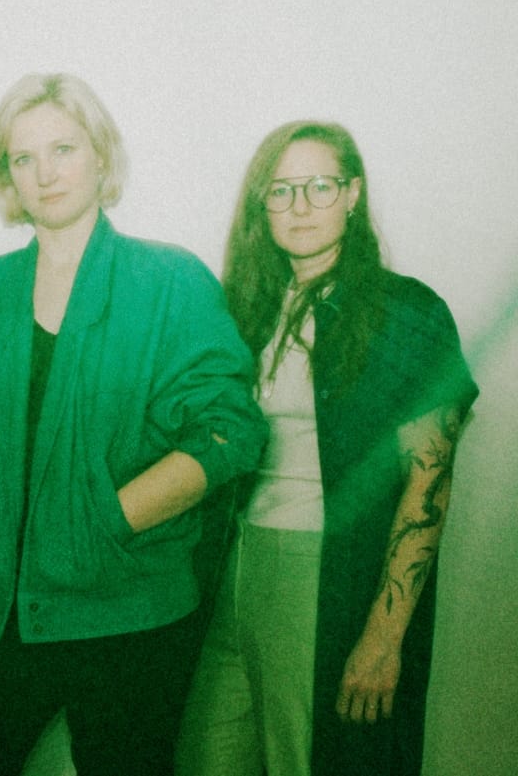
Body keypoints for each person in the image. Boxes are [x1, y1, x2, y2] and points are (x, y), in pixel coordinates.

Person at [0, 73, 266, 776]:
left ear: (101, 157)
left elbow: (229, 428)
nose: (45, 173)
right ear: (5, 175)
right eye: (23, 158)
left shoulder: (170, 282)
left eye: (64, 149)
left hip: (130, 618)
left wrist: (107, 519)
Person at [175, 121, 478, 776]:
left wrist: (385, 634)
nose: (301, 205)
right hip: (233, 571)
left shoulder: (409, 313)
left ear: (353, 193)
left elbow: (430, 482)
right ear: (263, 207)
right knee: (205, 756)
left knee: (309, 759)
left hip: (324, 574)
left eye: (319, 185)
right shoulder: (243, 313)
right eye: (281, 190)